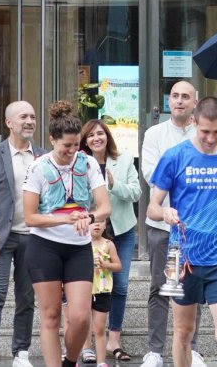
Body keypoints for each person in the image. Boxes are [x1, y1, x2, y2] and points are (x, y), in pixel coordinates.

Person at [147, 96, 217, 367]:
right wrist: (165, 213)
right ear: (193, 122)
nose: (211, 138)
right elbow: (152, 208)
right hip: (181, 257)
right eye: (205, 131)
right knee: (183, 331)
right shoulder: (174, 157)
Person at [24, 101, 113, 367]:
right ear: (52, 140)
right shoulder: (38, 167)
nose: (72, 151)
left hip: (78, 248)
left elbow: (105, 207)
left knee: (80, 317)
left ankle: (70, 361)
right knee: (51, 316)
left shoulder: (88, 163)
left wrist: (89, 217)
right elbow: (30, 217)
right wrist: (64, 218)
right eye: (66, 146)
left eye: (76, 145)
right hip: (45, 246)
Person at [140, 80, 207, 367]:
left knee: (193, 285)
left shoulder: (203, 134)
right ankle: (155, 350)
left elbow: (207, 173)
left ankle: (192, 349)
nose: (179, 101)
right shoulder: (154, 133)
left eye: (185, 97)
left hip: (195, 226)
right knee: (159, 286)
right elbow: (150, 173)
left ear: (195, 102)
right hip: (161, 223)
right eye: (175, 96)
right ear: (169, 101)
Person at [0, 100, 45, 367]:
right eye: (23, 117)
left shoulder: (43, 156)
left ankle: (21, 352)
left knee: (26, 297)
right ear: (9, 122)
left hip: (33, 236)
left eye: (33, 116)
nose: (30, 121)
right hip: (0, 237)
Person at [79, 117, 142, 363]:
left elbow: (136, 193)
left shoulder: (124, 159)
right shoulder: (80, 162)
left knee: (121, 285)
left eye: (100, 133)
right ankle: (86, 344)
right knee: (87, 284)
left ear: (107, 136)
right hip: (90, 232)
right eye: (91, 135)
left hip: (121, 230)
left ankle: (114, 340)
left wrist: (115, 184)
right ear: (85, 141)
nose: (96, 138)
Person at [89, 217, 122, 367]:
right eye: (92, 221)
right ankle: (73, 358)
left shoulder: (108, 244)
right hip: (83, 290)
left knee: (99, 328)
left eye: (101, 221)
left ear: (105, 225)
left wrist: (106, 265)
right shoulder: (81, 244)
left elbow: (118, 266)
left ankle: (101, 362)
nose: (96, 224)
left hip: (102, 290)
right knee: (78, 326)